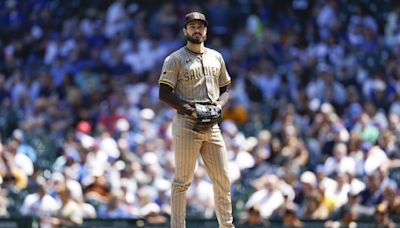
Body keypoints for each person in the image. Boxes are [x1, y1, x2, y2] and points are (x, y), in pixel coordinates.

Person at [158, 11, 234, 228]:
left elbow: (225, 89)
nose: (197, 29)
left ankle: (227, 226)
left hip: (212, 124)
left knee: (223, 180)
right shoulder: (175, 59)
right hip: (186, 123)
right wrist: (190, 111)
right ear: (185, 31)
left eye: (200, 26)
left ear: (206, 31)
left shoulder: (216, 57)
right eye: (192, 26)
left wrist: (219, 105)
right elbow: (164, 94)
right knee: (182, 181)